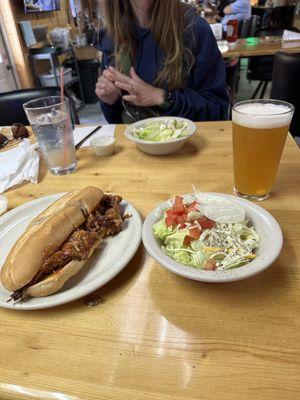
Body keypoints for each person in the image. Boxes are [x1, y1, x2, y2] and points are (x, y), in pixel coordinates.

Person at [95, 0, 229, 123]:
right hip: (136, 146)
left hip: (190, 145)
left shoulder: (195, 30)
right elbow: (116, 123)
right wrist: (110, 101)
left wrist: (161, 97)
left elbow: (216, 111)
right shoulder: (112, 38)